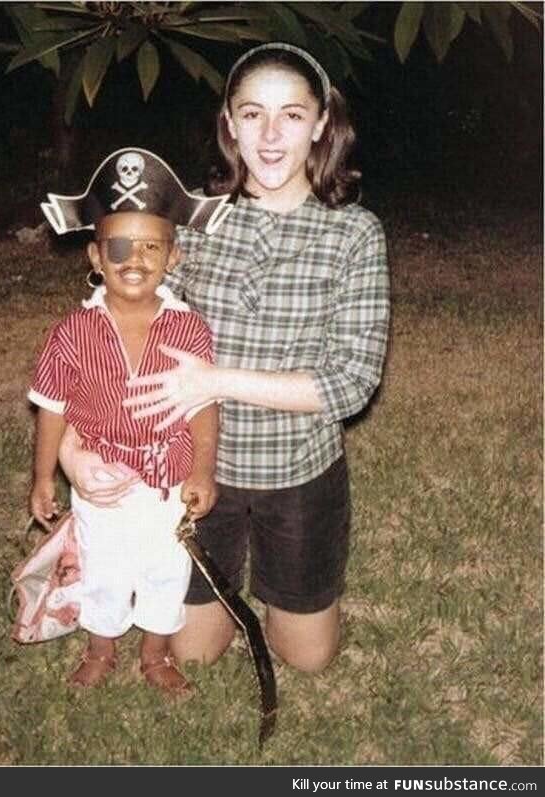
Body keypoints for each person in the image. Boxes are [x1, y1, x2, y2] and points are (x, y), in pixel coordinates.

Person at [60, 43, 390, 674]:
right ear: (229, 123)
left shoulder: (354, 233)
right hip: (191, 473)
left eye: (292, 116)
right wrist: (76, 447)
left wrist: (213, 380)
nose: (270, 136)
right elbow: (108, 341)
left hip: (299, 471)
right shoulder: (192, 225)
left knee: (308, 659)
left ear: (321, 124)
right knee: (194, 651)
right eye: (252, 114)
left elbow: (351, 383)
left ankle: (290, 590)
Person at [28, 149, 231, 690]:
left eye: (150, 246)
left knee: (166, 569)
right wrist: (44, 476)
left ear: (174, 257)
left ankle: (156, 655)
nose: (134, 259)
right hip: (103, 483)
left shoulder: (191, 329)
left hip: (169, 483)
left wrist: (203, 471)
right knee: (106, 568)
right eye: (119, 247)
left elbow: (204, 406)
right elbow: (50, 405)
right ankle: (101, 650)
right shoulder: (72, 332)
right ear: (96, 256)